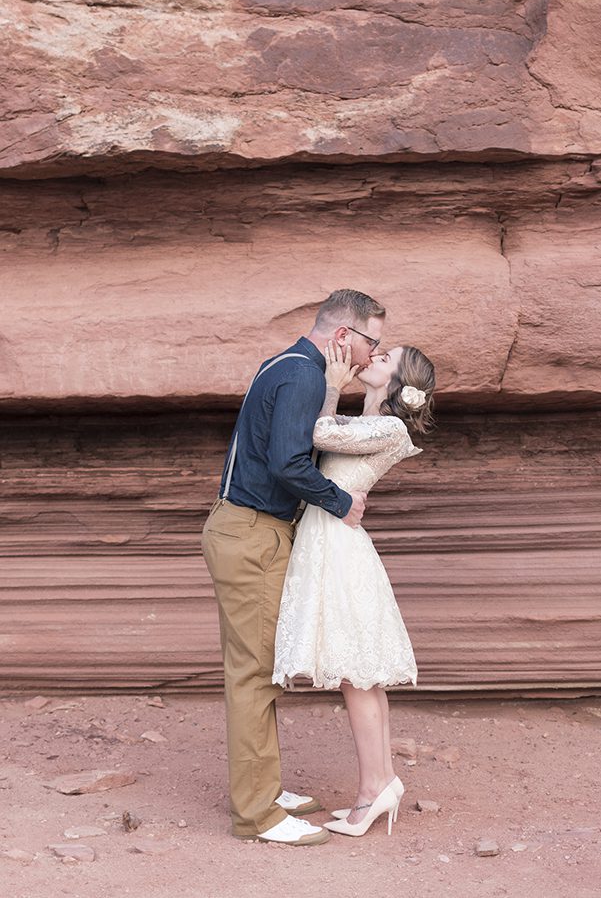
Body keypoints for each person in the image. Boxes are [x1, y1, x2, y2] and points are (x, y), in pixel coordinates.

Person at [201, 288, 385, 846]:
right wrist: (339, 500)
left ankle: (264, 785)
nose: (370, 354)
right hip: (252, 533)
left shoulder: (287, 363)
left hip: (248, 529)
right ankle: (256, 813)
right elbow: (287, 462)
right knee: (255, 674)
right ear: (342, 336)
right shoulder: (304, 375)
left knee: (263, 666)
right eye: (370, 341)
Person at [272, 338, 437, 837]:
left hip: (340, 553)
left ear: (398, 384)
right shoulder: (369, 422)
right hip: (333, 543)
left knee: (359, 677)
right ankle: (381, 780)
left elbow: (318, 433)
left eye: (384, 359)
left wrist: (327, 387)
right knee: (363, 677)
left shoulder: (386, 426)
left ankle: (372, 791)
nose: (373, 358)